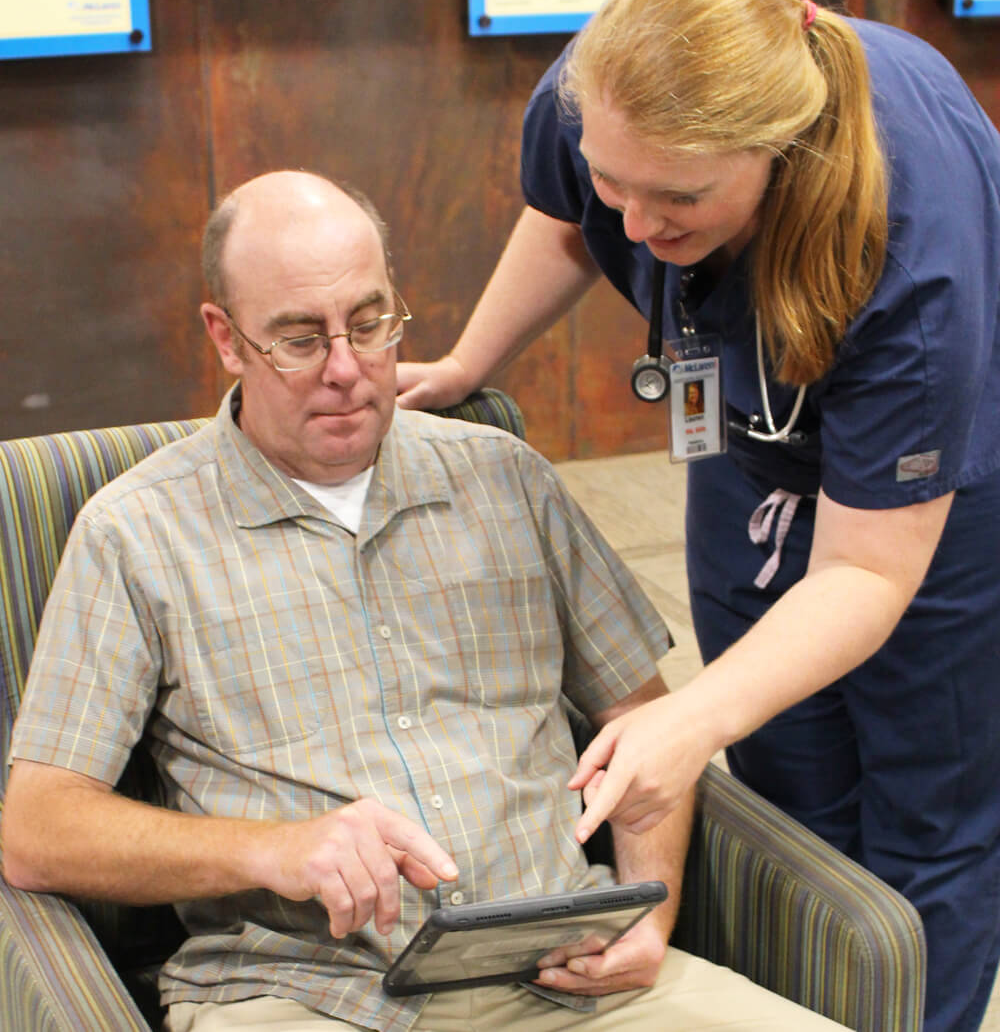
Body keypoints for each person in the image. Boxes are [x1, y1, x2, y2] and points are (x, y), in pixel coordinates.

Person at [1, 170, 844, 1032]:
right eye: (297, 339)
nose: (346, 369)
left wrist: (652, 916)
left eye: (370, 324)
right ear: (225, 337)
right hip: (309, 995)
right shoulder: (137, 534)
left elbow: (646, 729)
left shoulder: (504, 478)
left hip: (569, 975)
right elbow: (37, 829)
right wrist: (273, 848)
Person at [395, 0, 1000, 1032]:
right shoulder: (598, 93)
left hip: (935, 481)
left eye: (675, 198)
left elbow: (866, 566)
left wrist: (686, 725)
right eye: (615, 181)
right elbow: (566, 218)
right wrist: (465, 363)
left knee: (926, 802)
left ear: (777, 156)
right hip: (749, 434)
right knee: (787, 770)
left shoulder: (912, 249)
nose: (633, 224)